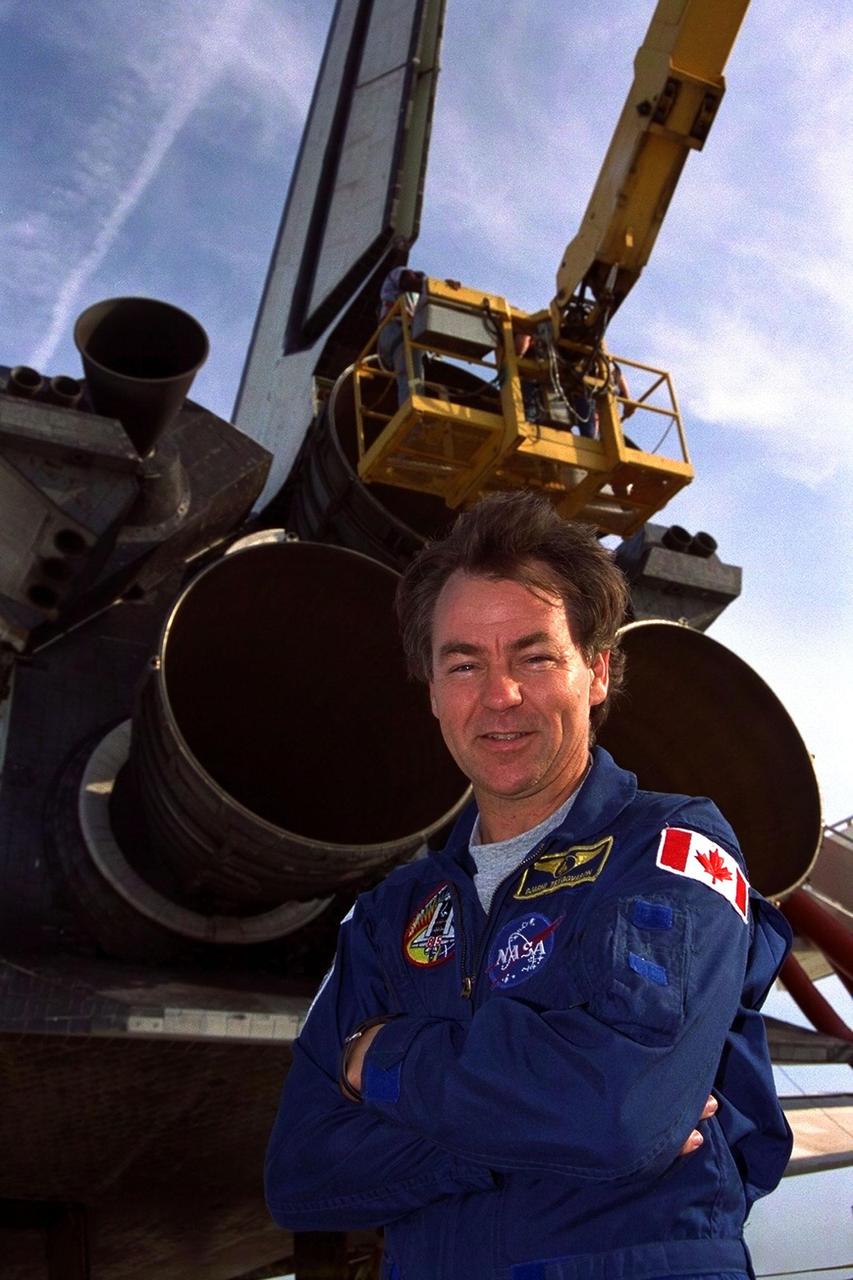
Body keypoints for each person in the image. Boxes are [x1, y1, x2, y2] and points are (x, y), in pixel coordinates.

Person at [266, 491, 792, 1280]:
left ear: (597, 672)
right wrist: (538, 1130)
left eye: (534, 656)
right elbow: (302, 1174)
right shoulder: (386, 918)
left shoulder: (670, 846)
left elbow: (622, 1112)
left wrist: (385, 1058)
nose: (499, 695)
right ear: (434, 693)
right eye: (464, 664)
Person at [377, 266, 426, 405]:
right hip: (395, 330)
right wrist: (433, 286)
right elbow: (408, 282)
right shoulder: (396, 274)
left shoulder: (418, 296)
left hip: (404, 334)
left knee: (414, 376)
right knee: (410, 375)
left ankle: (414, 407)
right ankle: (412, 414)